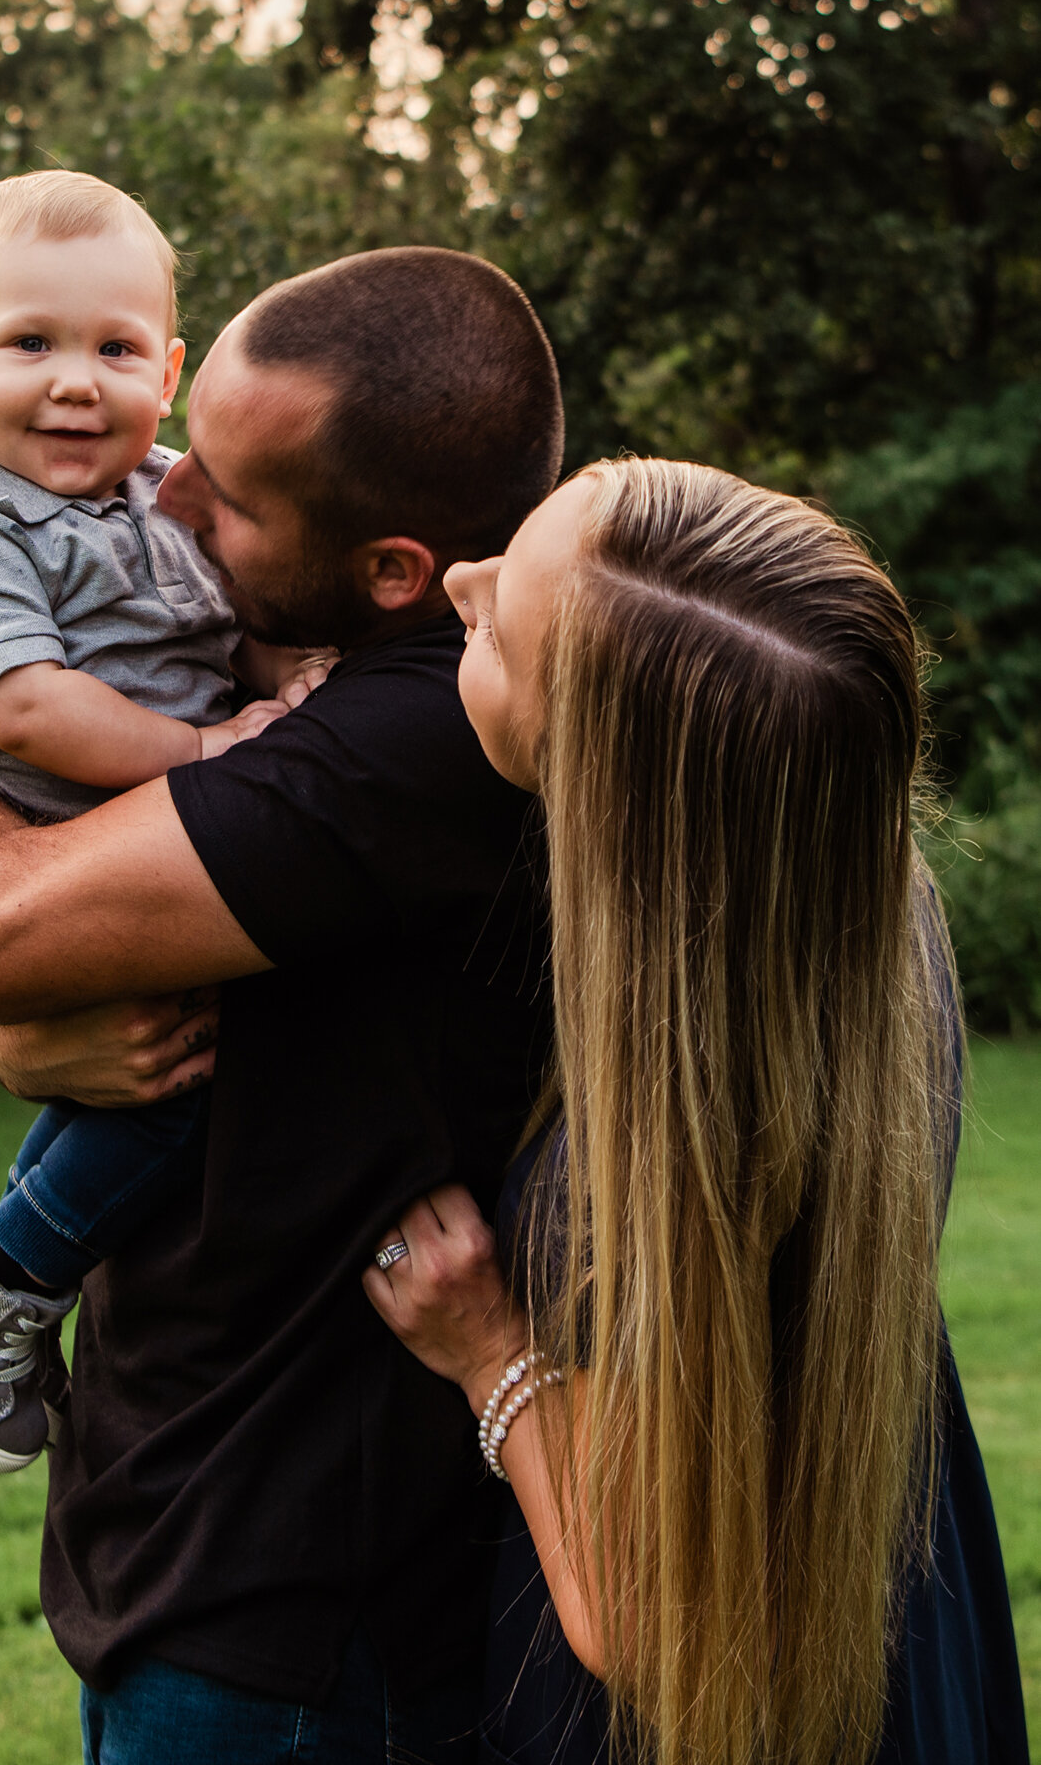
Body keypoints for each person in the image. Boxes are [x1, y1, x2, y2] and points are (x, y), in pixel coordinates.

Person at [0, 245, 566, 1763]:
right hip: (207, 1549)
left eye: (231, 498)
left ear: (390, 566)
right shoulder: (344, 672)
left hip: (290, 1602)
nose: (163, 495)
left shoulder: (414, 733)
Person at [364, 458, 1030, 1764]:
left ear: (604, 801)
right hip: (902, 1613)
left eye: (500, 627)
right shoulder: (877, 910)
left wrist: (490, 1349)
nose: (461, 581)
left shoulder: (646, 1165)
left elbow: (655, 1624)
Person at [0, 169, 314, 1476]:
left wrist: (289, 675)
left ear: (170, 370)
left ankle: (7, 1268)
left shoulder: (169, 492)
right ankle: (2, 1274)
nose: (78, 381)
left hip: (148, 822)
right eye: (30, 344)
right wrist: (200, 750)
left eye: (116, 349)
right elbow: (23, 706)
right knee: (177, 1079)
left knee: (174, 1063)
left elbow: (240, 611)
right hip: (54, 836)